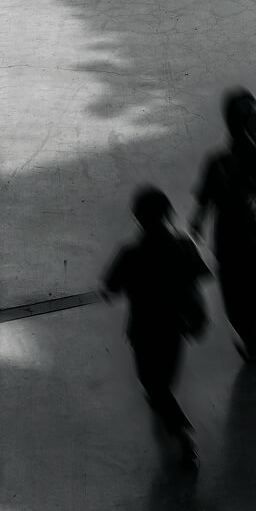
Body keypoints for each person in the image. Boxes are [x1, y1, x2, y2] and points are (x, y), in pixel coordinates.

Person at [101, 186, 210, 468]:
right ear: (167, 213)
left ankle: (182, 431)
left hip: (144, 329)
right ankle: (172, 420)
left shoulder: (130, 253)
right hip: (175, 326)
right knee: (165, 381)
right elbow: (198, 279)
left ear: (138, 218)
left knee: (152, 383)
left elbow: (110, 287)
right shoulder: (183, 245)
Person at [190, 90, 256, 364]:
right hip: (243, 238)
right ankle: (254, 319)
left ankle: (252, 339)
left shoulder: (228, 161)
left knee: (237, 296)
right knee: (246, 286)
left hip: (241, 238)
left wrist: (198, 219)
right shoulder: (232, 160)